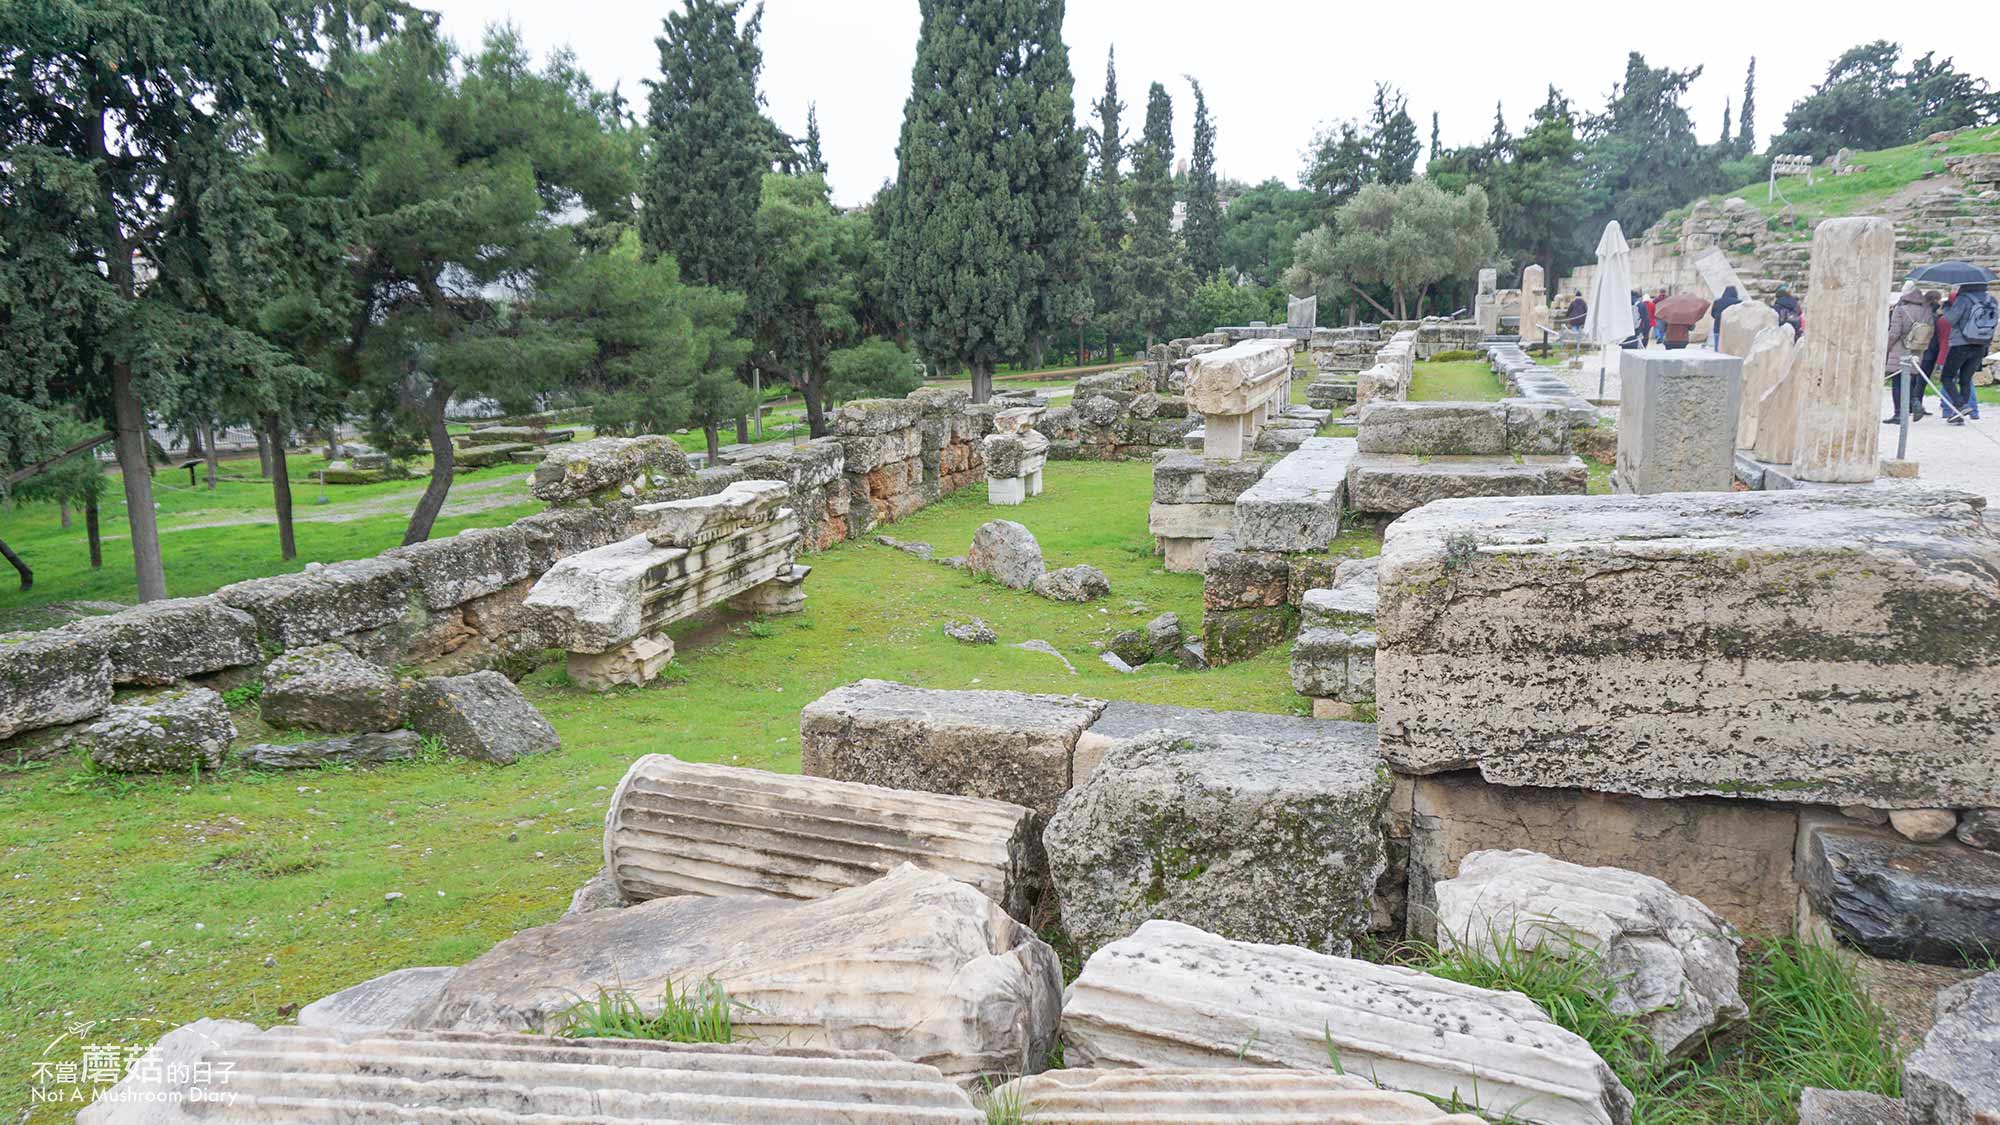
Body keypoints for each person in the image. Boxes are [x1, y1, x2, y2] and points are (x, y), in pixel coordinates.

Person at [1939, 282, 1997, 424]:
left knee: (1947, 377)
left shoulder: (1964, 299)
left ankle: (1960, 405)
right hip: (1980, 344)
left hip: (1961, 342)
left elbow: (1951, 319)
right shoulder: (1991, 300)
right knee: (1965, 380)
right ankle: (1959, 415)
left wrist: (1946, 308)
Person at [1884, 283, 1934, 424]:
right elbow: (1930, 331)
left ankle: (1899, 414)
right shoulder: (1927, 310)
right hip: (1917, 349)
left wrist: (1886, 348)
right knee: (1909, 381)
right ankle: (1915, 402)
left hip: (1901, 348)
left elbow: (1894, 333)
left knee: (1898, 383)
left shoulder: (1900, 310)